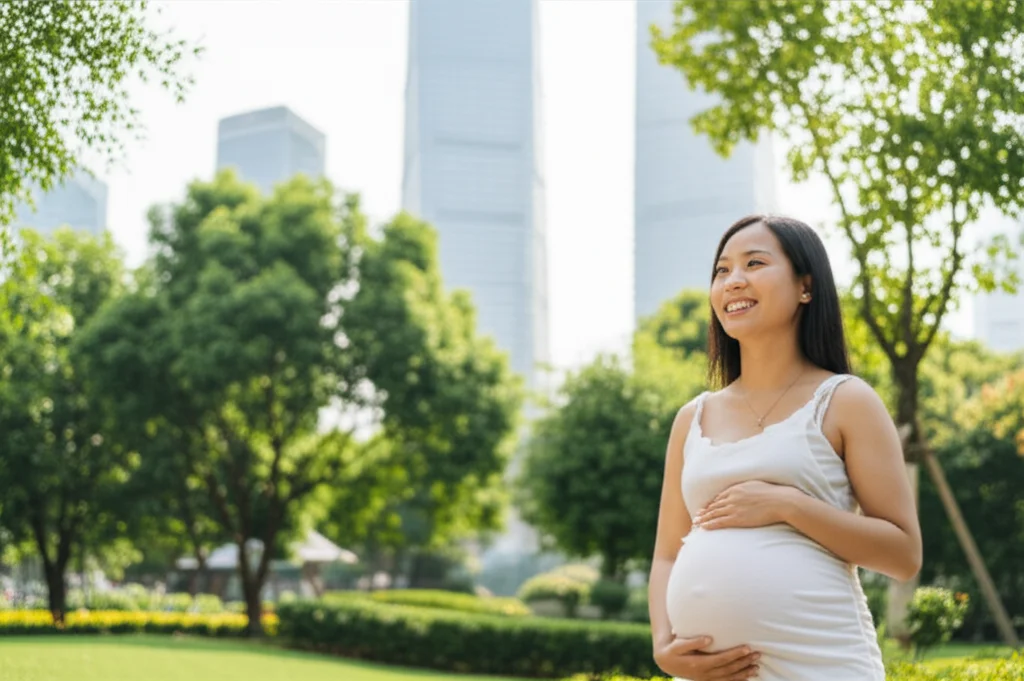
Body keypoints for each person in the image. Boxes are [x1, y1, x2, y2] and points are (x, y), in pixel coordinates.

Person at [648, 215, 922, 681]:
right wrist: (663, 645)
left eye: (754, 263)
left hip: (822, 666)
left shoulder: (846, 401)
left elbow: (902, 554)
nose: (733, 280)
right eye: (721, 270)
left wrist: (786, 504)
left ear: (805, 287)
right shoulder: (691, 418)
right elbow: (667, 555)